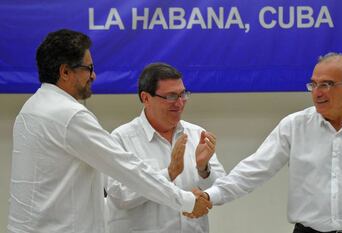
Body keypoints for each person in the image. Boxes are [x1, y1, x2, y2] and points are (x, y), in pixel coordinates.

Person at [7, 29, 211, 233]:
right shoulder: (70, 116)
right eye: (89, 68)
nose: (94, 75)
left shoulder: (31, 108)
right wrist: (186, 200)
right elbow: (128, 170)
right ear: (65, 72)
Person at [200, 52, 342, 233]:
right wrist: (210, 196)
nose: (317, 93)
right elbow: (254, 169)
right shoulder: (294, 126)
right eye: (314, 84)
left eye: (326, 84)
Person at [105, 63, 226, 233]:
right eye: (171, 96)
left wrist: (203, 169)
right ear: (146, 98)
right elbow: (120, 196)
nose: (179, 103)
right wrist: (168, 174)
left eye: (183, 94)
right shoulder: (120, 139)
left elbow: (221, 191)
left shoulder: (197, 134)